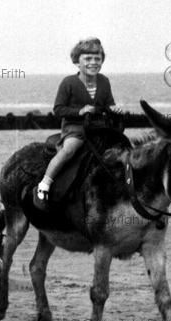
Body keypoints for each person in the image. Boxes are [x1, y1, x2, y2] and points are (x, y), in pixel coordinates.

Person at [34, 38, 115, 211]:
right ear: (77, 62)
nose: (93, 63)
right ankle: (45, 184)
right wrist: (79, 112)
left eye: (97, 59)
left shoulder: (104, 81)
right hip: (75, 128)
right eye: (88, 59)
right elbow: (58, 109)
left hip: (99, 126)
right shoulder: (68, 83)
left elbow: (108, 104)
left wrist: (115, 110)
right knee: (70, 149)